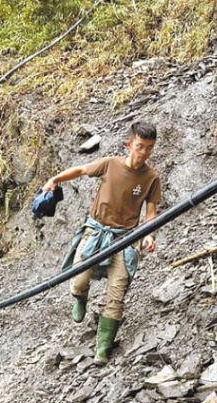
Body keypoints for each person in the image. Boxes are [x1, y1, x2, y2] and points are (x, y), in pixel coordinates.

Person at [42, 121, 162, 365]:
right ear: (129, 145)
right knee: (78, 279)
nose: (144, 153)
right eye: (140, 146)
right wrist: (55, 179)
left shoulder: (151, 177)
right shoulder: (110, 164)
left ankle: (103, 348)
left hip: (126, 238)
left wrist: (150, 234)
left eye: (149, 148)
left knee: (117, 294)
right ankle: (80, 298)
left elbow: (151, 211)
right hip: (96, 232)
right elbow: (81, 170)